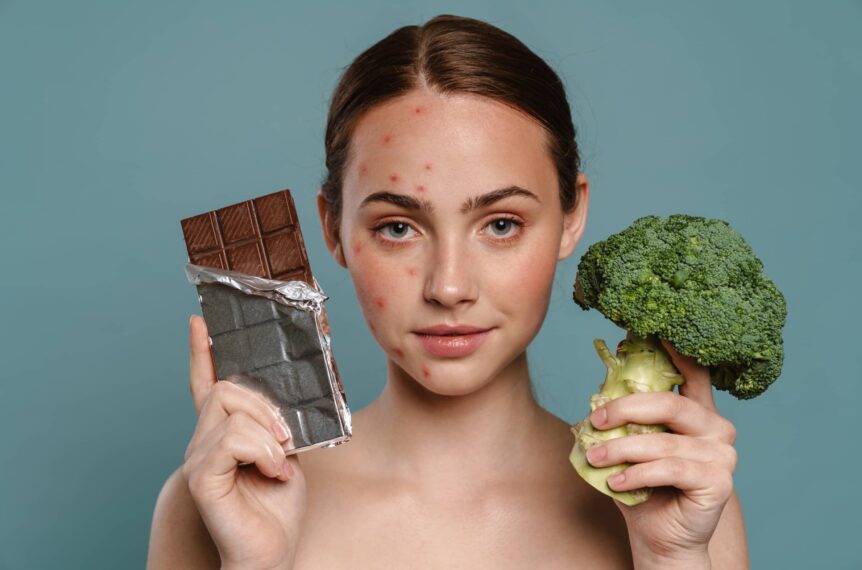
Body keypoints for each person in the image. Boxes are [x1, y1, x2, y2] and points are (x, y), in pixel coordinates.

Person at [147, 14, 748, 569]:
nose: (450, 286)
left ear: (571, 216)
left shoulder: (682, 500)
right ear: (334, 228)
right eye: (398, 228)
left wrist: (671, 558)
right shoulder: (215, 500)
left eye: (501, 224)